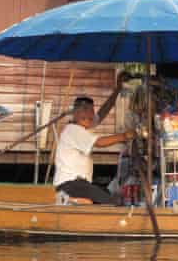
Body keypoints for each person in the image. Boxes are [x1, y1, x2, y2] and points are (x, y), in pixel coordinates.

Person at [54, 74, 134, 205]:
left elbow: (103, 112)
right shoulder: (73, 130)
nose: (91, 115)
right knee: (113, 203)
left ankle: (78, 202)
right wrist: (124, 136)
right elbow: (99, 142)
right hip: (71, 185)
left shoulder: (84, 125)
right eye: (87, 110)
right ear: (77, 112)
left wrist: (117, 89)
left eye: (92, 110)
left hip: (78, 184)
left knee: (108, 196)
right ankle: (69, 201)